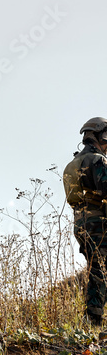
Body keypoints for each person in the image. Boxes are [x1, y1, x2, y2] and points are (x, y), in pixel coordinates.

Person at [63, 117, 107, 329]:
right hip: (99, 222)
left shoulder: (73, 164)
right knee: (102, 270)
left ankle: (93, 320)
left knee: (96, 268)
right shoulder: (97, 160)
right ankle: (93, 321)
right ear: (101, 136)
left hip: (81, 224)